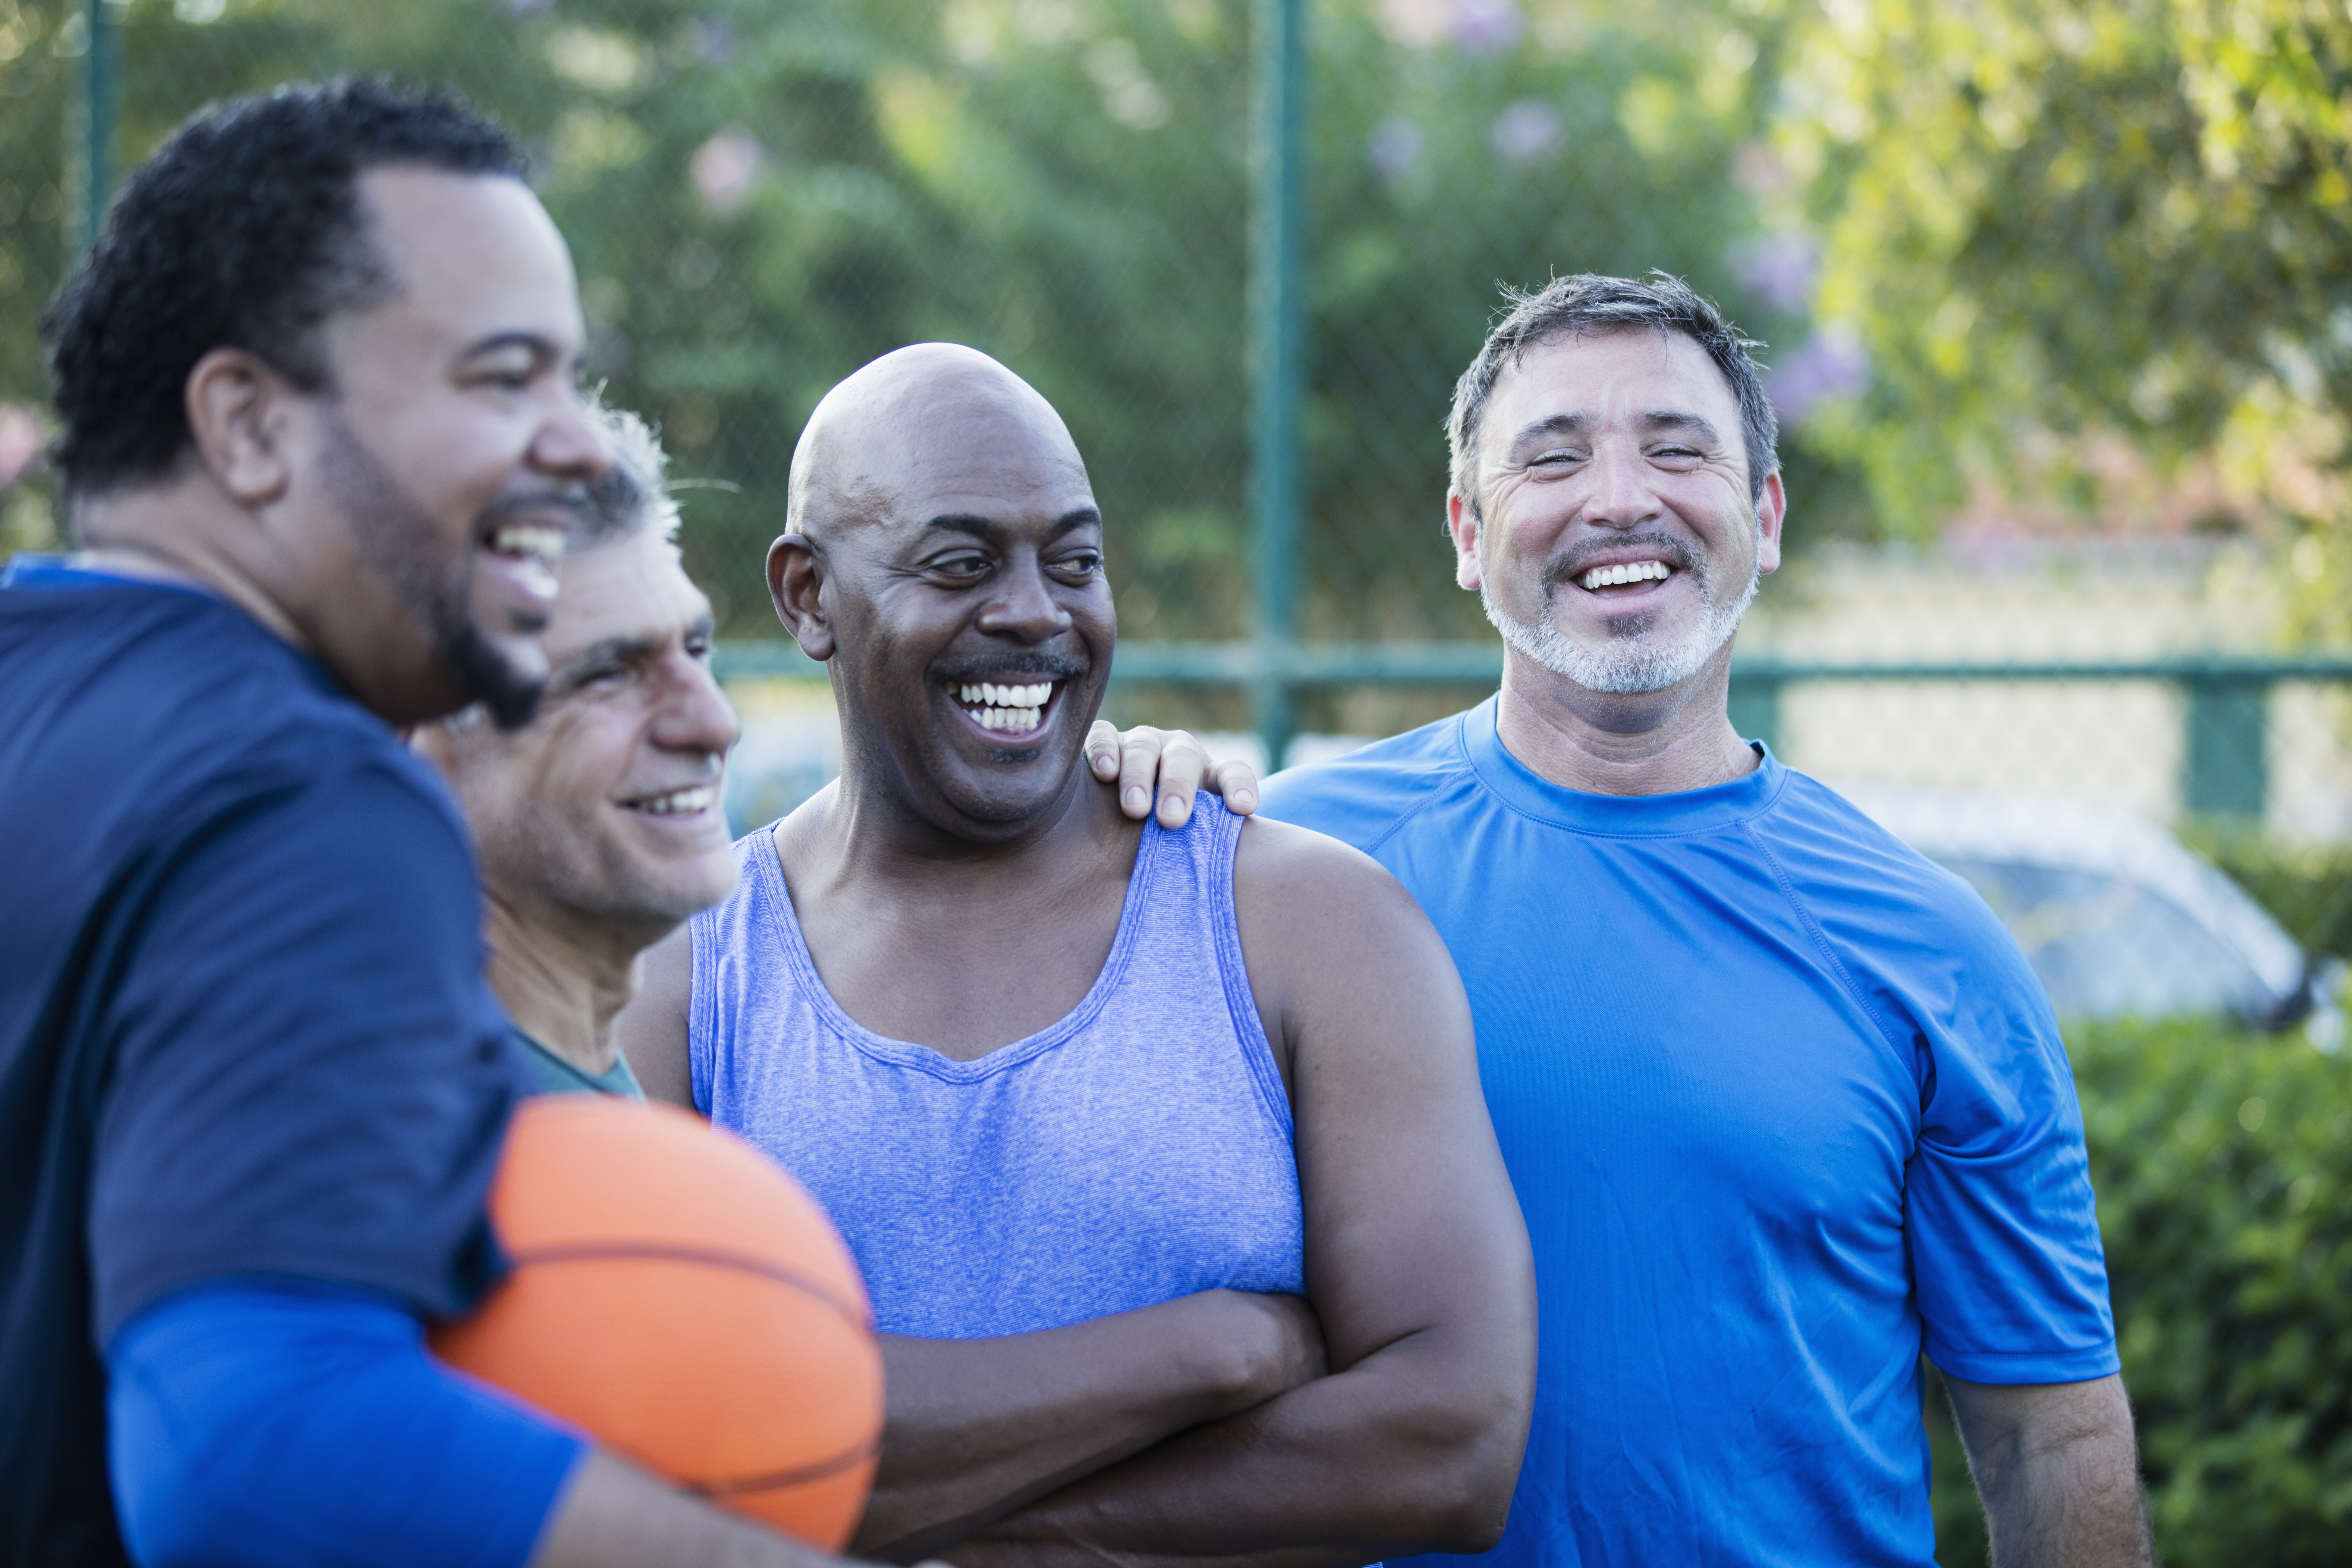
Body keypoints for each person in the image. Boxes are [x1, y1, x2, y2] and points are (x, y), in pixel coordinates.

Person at [2, 80, 885, 1568]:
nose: (571, 447)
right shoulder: (311, 800)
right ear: (248, 425)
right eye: (501, 381)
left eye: (568, 382)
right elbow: (245, 1449)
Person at [1253, 273, 2155, 1568]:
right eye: (1550, 458)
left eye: (1676, 449)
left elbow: (2047, 1438)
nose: (1620, 498)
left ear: (1763, 515)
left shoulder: (1932, 949)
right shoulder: (1281, 871)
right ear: (1464, 530)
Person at [616, 341, 1539, 1566]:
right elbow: (667, 1433)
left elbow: (1451, 1441)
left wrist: (971, 1544)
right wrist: (1213, 1351)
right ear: (805, 596)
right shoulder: (676, 980)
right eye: (959, 562)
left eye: (1075, 561)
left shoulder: (1308, 923)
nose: (1033, 610)